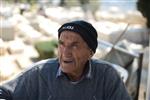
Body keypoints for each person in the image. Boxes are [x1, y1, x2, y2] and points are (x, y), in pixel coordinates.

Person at [0, 20, 131, 100]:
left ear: (90, 52)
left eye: (74, 45)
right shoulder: (40, 73)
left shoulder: (107, 76)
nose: (65, 52)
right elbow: (3, 93)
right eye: (61, 44)